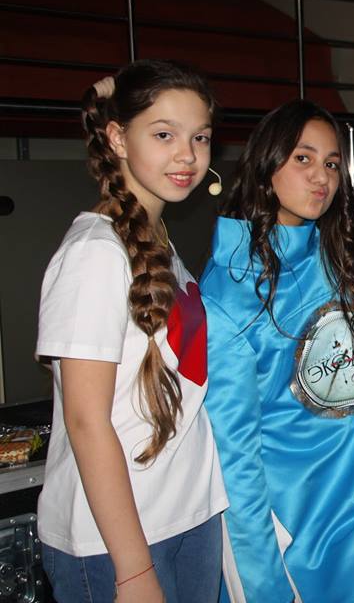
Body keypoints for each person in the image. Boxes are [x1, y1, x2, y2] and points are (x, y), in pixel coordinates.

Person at [36, 60, 228, 603]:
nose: (187, 155)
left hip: (185, 515)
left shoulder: (156, 240)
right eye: (164, 135)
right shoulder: (95, 253)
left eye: (200, 137)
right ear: (118, 139)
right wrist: (133, 569)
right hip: (118, 540)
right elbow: (85, 420)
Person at [200, 100, 354, 603]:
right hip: (293, 545)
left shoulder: (338, 259)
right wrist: (264, 585)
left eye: (331, 163)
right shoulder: (229, 291)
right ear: (266, 165)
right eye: (303, 158)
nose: (322, 176)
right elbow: (234, 456)